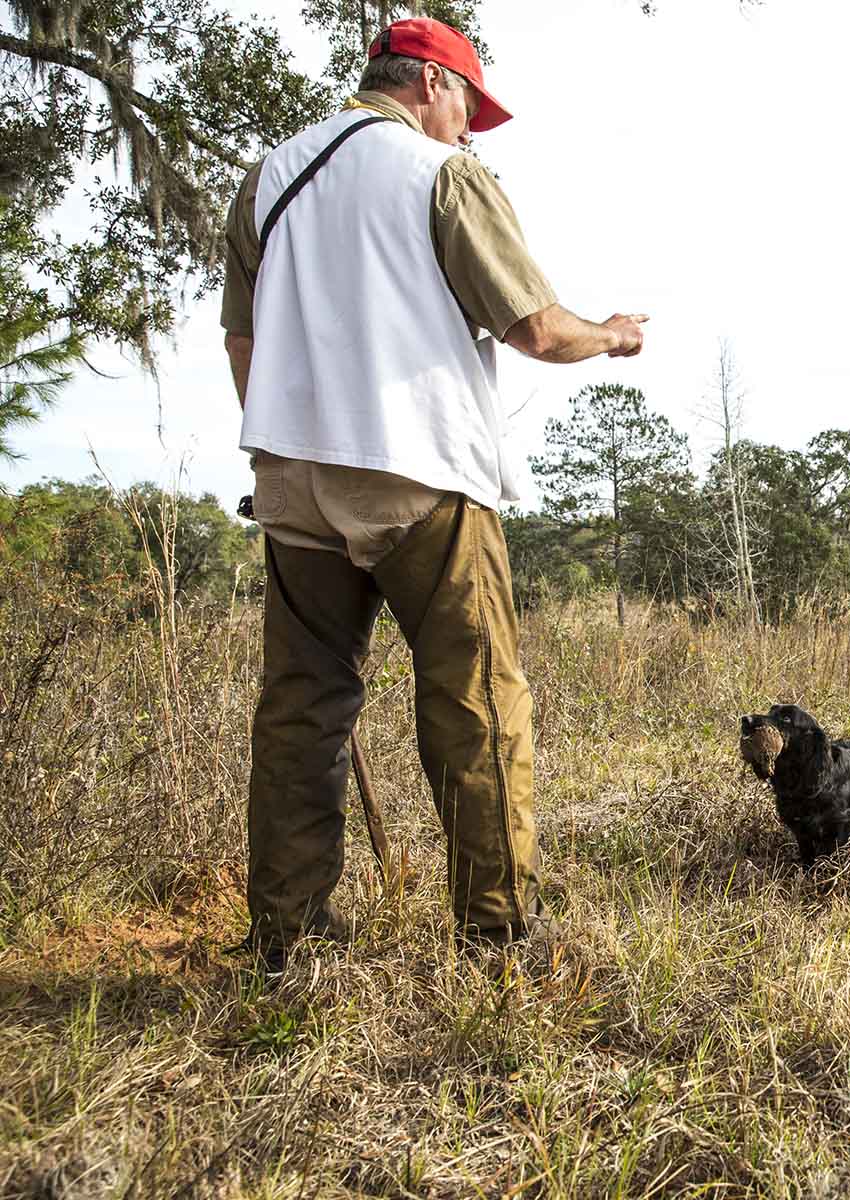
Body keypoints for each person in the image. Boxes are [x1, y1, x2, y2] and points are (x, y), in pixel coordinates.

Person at [220, 17, 643, 972]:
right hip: (422, 476)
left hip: (291, 481)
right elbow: (535, 328)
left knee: (301, 708)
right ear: (428, 85)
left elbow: (243, 343)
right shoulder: (438, 174)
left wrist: (287, 443)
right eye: (469, 108)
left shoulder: (269, 176)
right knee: (475, 701)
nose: (472, 130)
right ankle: (496, 938)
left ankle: (286, 938)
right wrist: (613, 334)